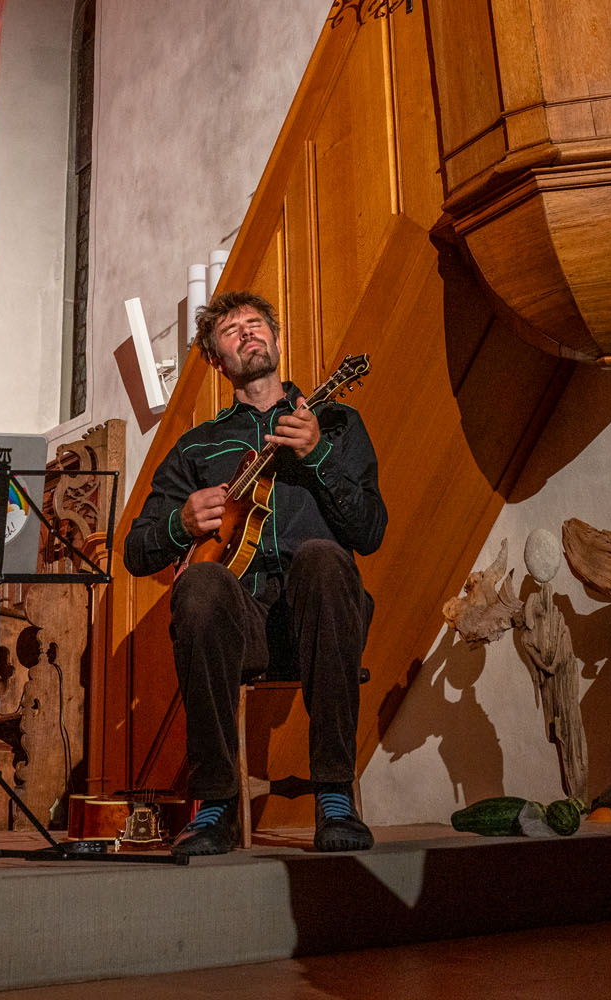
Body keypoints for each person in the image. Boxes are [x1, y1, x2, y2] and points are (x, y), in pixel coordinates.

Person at [123, 290, 386, 856]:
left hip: (323, 618)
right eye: (230, 330)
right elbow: (136, 551)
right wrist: (180, 524)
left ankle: (334, 794)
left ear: (276, 338)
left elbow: (370, 532)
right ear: (216, 360)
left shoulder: (335, 423)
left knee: (322, 557)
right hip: (237, 630)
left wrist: (318, 456)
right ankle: (216, 802)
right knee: (200, 583)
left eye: (255, 323)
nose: (246, 332)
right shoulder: (198, 447)